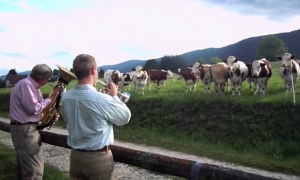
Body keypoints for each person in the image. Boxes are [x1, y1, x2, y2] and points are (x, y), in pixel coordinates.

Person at [60, 54, 131, 180]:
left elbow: (67, 117)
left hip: (75, 156)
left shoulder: (66, 97)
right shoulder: (103, 99)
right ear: (93, 70)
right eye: (97, 69)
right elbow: (125, 117)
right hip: (98, 159)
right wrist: (114, 96)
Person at [9, 64, 60, 180]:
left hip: (27, 129)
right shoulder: (26, 85)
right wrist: (51, 98)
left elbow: (38, 110)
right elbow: (33, 108)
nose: (48, 81)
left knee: (33, 168)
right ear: (43, 78)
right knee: (33, 171)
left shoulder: (32, 87)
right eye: (48, 79)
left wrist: (50, 117)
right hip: (25, 130)